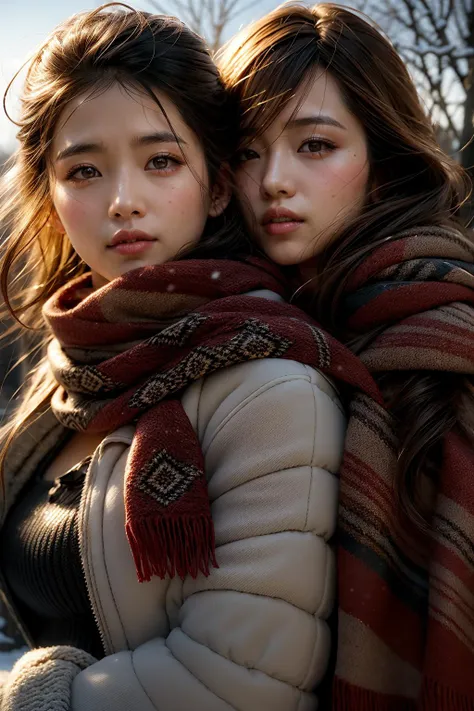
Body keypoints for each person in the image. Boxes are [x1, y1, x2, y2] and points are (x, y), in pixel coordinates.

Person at [0, 3, 367, 710]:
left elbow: (239, 684)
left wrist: (39, 694)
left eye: (161, 160)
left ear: (219, 182)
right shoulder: (70, 367)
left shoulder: (270, 386)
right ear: (48, 191)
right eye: (84, 170)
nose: (123, 200)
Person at [219, 3, 474, 709]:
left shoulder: (445, 341)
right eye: (246, 150)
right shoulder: (233, 331)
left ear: (383, 166)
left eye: (315, 145)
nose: (272, 179)